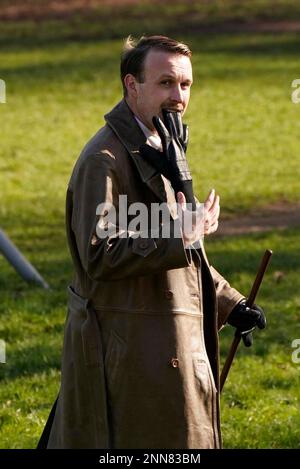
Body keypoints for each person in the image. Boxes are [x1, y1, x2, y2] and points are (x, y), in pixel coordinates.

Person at [39, 35, 266, 449]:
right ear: (132, 86)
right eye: (165, 83)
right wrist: (180, 236)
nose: (178, 96)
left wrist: (230, 303)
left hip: (165, 347)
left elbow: (182, 253)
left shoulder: (163, 146)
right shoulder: (103, 160)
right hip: (125, 356)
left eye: (185, 85)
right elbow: (99, 254)